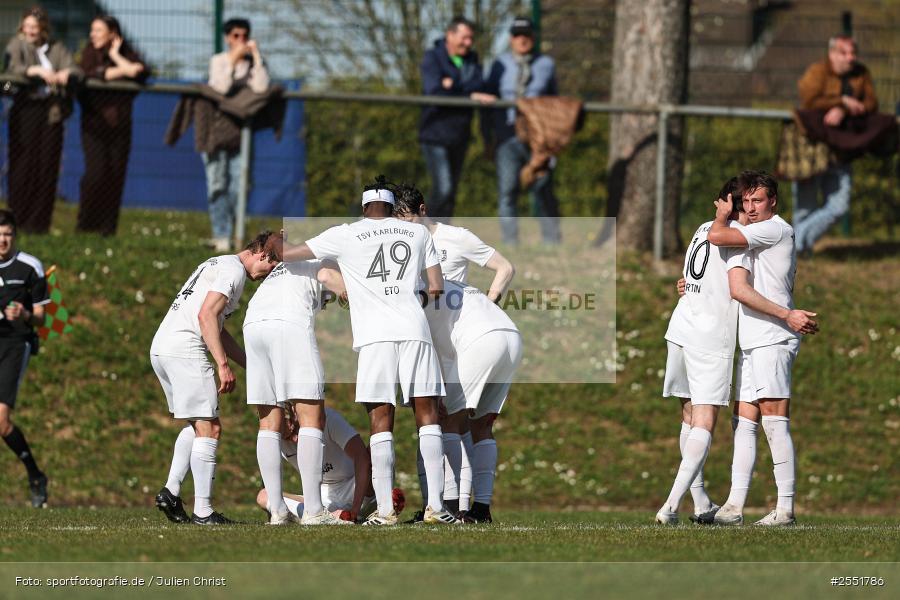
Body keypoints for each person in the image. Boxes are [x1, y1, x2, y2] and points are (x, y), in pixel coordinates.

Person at [268, 178, 457, 525]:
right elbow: (436, 287)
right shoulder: (418, 234)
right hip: (415, 330)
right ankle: (437, 507)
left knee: (380, 422)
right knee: (427, 416)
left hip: (374, 338)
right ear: (390, 205)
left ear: (364, 206)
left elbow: (287, 255)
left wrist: (274, 240)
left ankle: (385, 511)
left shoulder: (345, 233)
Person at [392, 182, 515, 519]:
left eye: (409, 220)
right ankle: (463, 508)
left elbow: (505, 268)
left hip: (465, 339)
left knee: (446, 422)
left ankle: (448, 507)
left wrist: (487, 305)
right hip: (446, 338)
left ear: (422, 210)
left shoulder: (456, 237)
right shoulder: (400, 245)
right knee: (447, 424)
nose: (405, 229)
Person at [708, 170, 818, 526]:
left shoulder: (775, 228)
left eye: (758, 200)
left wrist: (724, 214)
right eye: (746, 201)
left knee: (774, 422)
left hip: (774, 335)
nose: (751, 208)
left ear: (773, 201)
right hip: (754, 338)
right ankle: (733, 506)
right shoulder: (753, 236)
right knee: (744, 424)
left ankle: (785, 508)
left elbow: (716, 235)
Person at [151, 232, 278, 525]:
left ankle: (170, 492)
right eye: (271, 265)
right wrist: (222, 364)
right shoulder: (234, 270)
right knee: (211, 429)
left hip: (163, 347)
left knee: (198, 425)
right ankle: (204, 511)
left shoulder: (219, 263)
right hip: (185, 349)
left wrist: (249, 364)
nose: (268, 273)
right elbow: (207, 317)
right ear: (261, 253)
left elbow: (217, 328)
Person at [656, 179, 748, 525]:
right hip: (710, 335)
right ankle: (670, 506)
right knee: (705, 421)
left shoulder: (701, 228)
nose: (746, 211)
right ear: (724, 204)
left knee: (689, 416)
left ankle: (700, 501)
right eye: (740, 203)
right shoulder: (734, 235)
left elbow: (692, 278)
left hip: (680, 327)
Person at [243, 257, 349, 525]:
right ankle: (314, 511)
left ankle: (277, 510)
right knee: (312, 417)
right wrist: (351, 291)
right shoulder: (327, 257)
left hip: (253, 324)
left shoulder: (286, 266)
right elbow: (327, 277)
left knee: (269, 421)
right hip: (288, 323)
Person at [793, 36, 878, 256]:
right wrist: (841, 101)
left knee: (839, 206)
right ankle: (800, 253)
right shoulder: (817, 72)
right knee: (805, 206)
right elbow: (809, 99)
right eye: (844, 53)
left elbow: (871, 104)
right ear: (832, 54)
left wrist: (844, 109)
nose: (851, 58)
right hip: (811, 147)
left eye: (853, 53)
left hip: (842, 149)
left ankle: (789, 243)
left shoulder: (861, 74)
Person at [482, 16, 560, 245]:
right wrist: (488, 136)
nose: (522, 39)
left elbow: (555, 103)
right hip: (507, 137)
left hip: (539, 138)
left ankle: (551, 242)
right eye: (517, 35)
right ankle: (510, 244)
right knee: (507, 191)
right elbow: (487, 101)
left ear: (533, 38)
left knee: (543, 189)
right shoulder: (499, 64)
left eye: (526, 35)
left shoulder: (546, 64)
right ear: (511, 39)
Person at [255, 406, 406, 524]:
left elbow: (362, 459)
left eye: (295, 429)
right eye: (287, 437)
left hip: (354, 484)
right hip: (322, 495)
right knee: (264, 496)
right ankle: (329, 515)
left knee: (373, 451)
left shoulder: (329, 419)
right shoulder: (273, 440)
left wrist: (355, 508)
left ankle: (375, 503)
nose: (295, 440)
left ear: (295, 412)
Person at [4, 6, 80, 234]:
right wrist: (35, 70)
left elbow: (74, 69)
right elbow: (12, 68)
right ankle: (17, 218)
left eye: (34, 27)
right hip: (26, 110)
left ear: (43, 29)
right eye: (27, 27)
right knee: (22, 164)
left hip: (51, 112)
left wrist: (66, 74)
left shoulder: (56, 48)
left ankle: (39, 223)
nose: (30, 31)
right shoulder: (16, 45)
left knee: (46, 165)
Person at [203, 18, 270, 252]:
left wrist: (257, 57)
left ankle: (236, 232)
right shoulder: (218, 61)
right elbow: (219, 87)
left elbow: (261, 88)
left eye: (245, 36)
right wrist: (233, 59)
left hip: (242, 133)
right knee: (217, 184)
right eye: (236, 36)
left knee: (238, 186)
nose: (241, 40)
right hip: (215, 131)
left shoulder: (254, 64)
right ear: (227, 38)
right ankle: (221, 234)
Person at [418, 16, 495, 221]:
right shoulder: (432, 58)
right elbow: (434, 93)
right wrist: (468, 95)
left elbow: (479, 87)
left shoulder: (472, 59)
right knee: (443, 188)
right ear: (449, 35)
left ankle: (443, 240)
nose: (468, 43)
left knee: (451, 194)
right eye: (464, 38)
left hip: (459, 134)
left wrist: (452, 85)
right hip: (435, 134)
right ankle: (421, 232)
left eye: (471, 39)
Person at [77, 15, 147, 236]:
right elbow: (89, 73)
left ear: (112, 33)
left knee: (115, 176)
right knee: (95, 174)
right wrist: (121, 72)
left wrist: (116, 56)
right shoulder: (89, 53)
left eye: (98, 30)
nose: (93, 35)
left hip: (120, 128)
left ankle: (107, 229)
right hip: (94, 126)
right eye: (92, 30)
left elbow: (140, 71)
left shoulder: (126, 52)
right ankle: (85, 225)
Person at [0, 210, 50, 507]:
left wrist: (25, 314)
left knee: (2, 423)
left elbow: (42, 318)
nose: (2, 241)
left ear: (14, 236)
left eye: (7, 235)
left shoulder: (30, 267)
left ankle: (35, 476)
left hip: (15, 344)